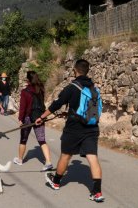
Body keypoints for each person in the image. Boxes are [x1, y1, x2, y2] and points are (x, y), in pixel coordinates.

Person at [35, 59, 105, 203]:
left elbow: (57, 104)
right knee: (93, 158)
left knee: (66, 155)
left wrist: (41, 117)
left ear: (75, 71)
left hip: (74, 128)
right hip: (92, 127)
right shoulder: (94, 88)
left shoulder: (72, 87)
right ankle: (97, 192)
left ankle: (56, 182)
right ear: (87, 71)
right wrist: (70, 112)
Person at [13, 71, 53, 171]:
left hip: (28, 118)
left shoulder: (25, 91)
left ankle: (20, 159)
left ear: (28, 79)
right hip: (39, 117)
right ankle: (48, 162)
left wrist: (20, 119)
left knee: (23, 139)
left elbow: (23, 107)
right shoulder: (41, 89)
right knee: (42, 140)